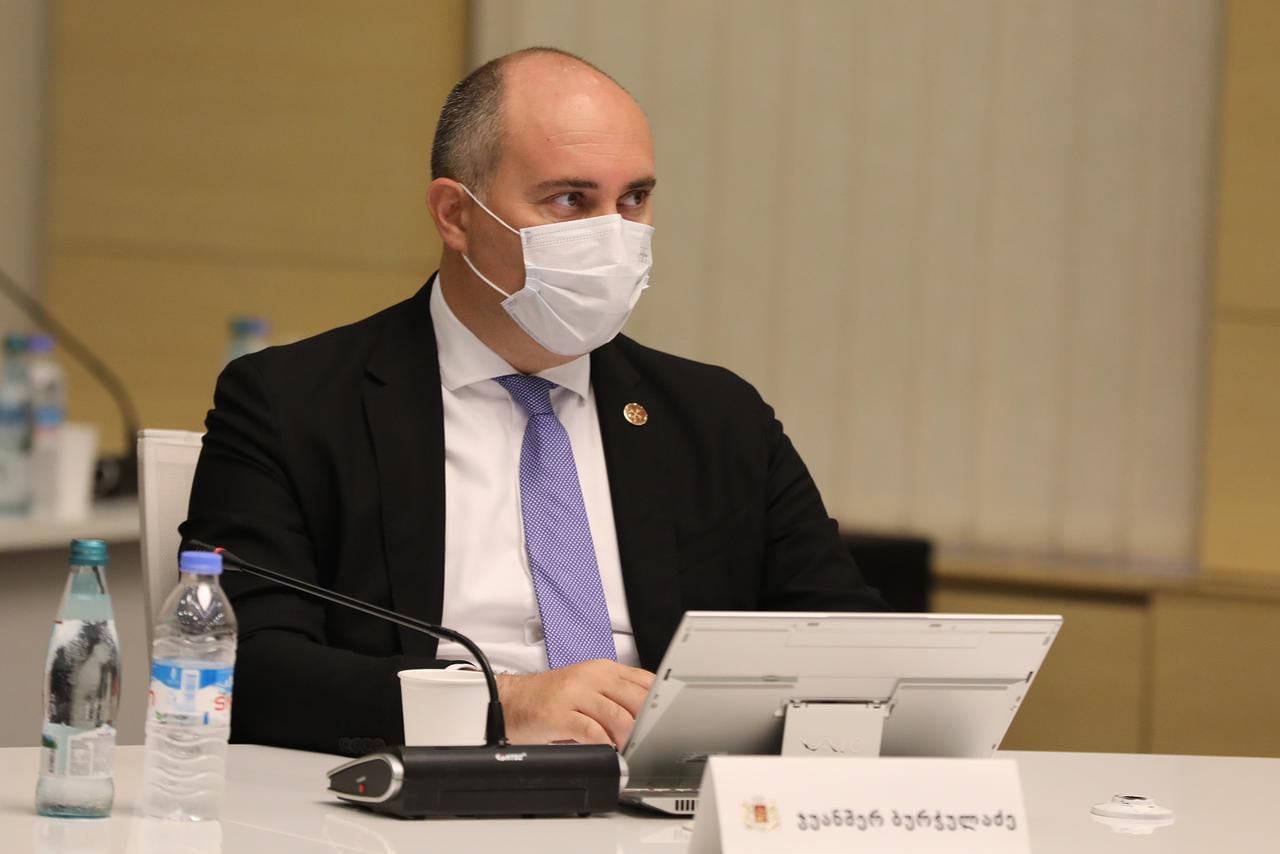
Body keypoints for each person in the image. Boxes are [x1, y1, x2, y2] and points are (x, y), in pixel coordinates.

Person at [182, 47, 884, 757]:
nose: (613, 236)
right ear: (455, 214)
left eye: (633, 199)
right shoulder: (293, 404)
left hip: (657, 795)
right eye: (571, 201)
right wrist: (502, 704)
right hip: (427, 785)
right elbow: (244, 667)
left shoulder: (717, 418)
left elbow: (849, 649)